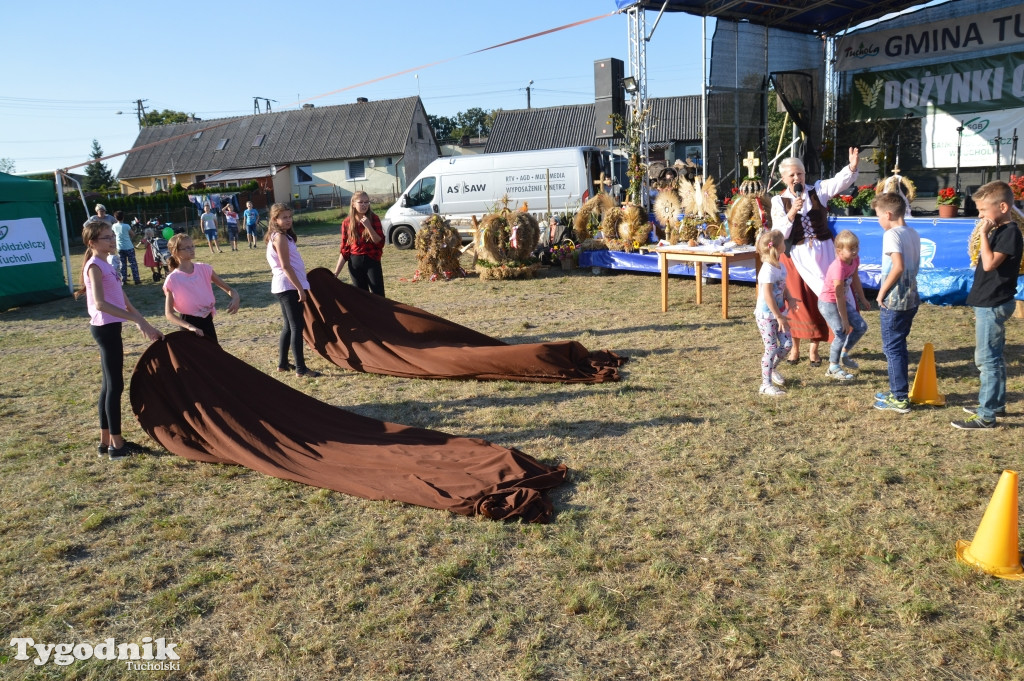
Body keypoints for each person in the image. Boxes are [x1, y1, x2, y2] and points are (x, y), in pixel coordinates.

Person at [74, 218, 163, 460]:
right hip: (105, 328)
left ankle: (105, 442)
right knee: (115, 386)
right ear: (92, 242)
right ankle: (118, 445)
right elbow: (102, 304)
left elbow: (123, 299)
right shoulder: (94, 266)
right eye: (106, 237)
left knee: (108, 386)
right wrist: (135, 321)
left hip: (112, 327)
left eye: (112, 236)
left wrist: (143, 321)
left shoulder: (108, 264)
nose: (112, 240)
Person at [771, 148, 860, 366]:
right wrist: (793, 212)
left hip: (824, 253)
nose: (796, 178)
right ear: (783, 178)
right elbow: (778, 233)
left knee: (824, 298)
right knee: (798, 303)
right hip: (796, 257)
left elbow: (839, 181)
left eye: (799, 174)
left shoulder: (818, 190)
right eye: (791, 175)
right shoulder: (778, 201)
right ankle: (794, 348)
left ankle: (815, 349)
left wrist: (852, 167)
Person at [951, 181, 1023, 429]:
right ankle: (996, 403)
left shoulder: (1010, 233)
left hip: (993, 304)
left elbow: (990, 263)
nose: (980, 215)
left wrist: (983, 233)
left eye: (983, 210)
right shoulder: (1000, 230)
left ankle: (987, 415)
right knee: (994, 357)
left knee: (986, 360)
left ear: (1002, 207)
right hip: (989, 301)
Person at [871, 192, 921, 414]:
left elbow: (898, 267)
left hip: (895, 300)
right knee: (899, 346)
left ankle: (899, 398)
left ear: (888, 214)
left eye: (878, 216)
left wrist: (881, 291)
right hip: (911, 298)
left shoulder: (891, 235)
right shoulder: (913, 233)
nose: (878, 220)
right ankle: (896, 390)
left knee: (892, 348)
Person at [266, 203, 321, 377]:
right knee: (297, 326)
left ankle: (282, 364)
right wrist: (300, 289)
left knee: (289, 327)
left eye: (290, 216)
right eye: (284, 217)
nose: (288, 220)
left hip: (284, 286)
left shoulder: (282, 236)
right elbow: (286, 266)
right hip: (288, 286)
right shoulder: (279, 238)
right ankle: (301, 369)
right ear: (275, 219)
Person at [163, 234, 240, 345]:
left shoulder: (204, 269)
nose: (192, 249)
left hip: (207, 320)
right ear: (175, 252)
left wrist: (236, 297)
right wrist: (190, 327)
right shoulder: (172, 279)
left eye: (192, 246)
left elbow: (229, 289)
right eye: (187, 248)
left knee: (214, 355)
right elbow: (169, 314)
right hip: (188, 324)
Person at [817, 229, 870, 382]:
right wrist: (845, 320)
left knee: (861, 326)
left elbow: (855, 278)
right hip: (829, 302)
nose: (855, 251)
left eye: (856, 247)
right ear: (839, 251)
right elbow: (838, 295)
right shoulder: (838, 267)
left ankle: (844, 354)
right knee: (840, 332)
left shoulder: (854, 260)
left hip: (840, 301)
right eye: (851, 249)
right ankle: (833, 367)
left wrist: (862, 297)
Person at [754, 229, 798, 396]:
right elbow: (767, 295)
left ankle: (771, 369)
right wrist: (778, 316)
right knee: (771, 347)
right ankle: (765, 385)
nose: (786, 244)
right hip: (767, 316)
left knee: (787, 344)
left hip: (779, 313)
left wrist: (790, 298)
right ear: (779, 247)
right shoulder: (767, 270)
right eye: (783, 242)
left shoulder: (779, 265)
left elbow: (782, 286)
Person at [333, 191, 385, 296]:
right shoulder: (347, 222)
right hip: (355, 262)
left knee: (378, 296)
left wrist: (368, 227)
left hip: (372, 260)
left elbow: (380, 243)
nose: (364, 205)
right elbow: (344, 250)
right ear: (353, 203)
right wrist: (336, 273)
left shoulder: (374, 218)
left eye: (366, 202)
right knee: (361, 297)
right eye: (360, 202)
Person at [111, 210, 141, 286]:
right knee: (133, 263)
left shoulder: (114, 226)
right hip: (129, 247)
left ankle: (123, 280)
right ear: (123, 217)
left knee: (122, 264)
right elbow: (133, 234)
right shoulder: (126, 226)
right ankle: (136, 279)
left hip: (120, 247)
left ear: (115, 217)